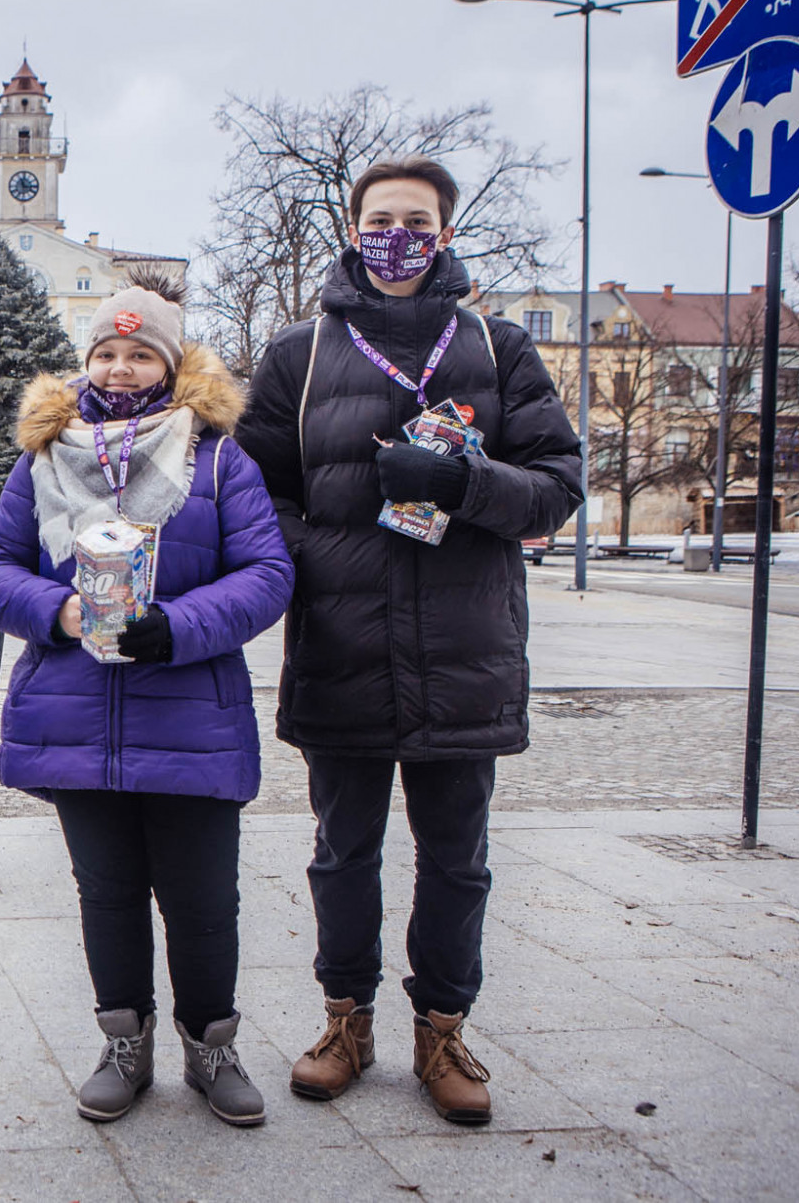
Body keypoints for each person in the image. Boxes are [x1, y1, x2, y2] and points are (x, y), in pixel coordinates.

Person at [235, 156, 583, 1125]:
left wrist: (461, 485)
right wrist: (325, 554)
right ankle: (343, 1020)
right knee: (341, 852)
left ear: (442, 231)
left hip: (463, 652)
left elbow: (558, 483)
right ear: (352, 230)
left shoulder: (497, 345)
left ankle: (441, 1029)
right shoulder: (297, 356)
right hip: (341, 644)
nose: (397, 236)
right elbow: (251, 493)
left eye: (416, 221)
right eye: (379, 219)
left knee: (456, 859)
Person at [0, 275, 293, 1125]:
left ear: (171, 361)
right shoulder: (44, 459)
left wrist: (177, 626)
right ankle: (124, 1039)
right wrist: (59, 609)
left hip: (190, 714)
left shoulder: (219, 457)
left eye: (139, 351)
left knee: (201, 897)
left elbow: (267, 574)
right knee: (106, 892)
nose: (119, 368)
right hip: (77, 715)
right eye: (106, 353)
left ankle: (211, 1046)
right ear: (88, 361)